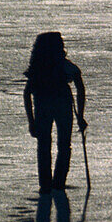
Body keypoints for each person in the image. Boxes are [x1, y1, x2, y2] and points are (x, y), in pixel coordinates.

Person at [23, 31, 87, 194]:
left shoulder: (37, 69)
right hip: (63, 107)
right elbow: (79, 86)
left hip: (43, 108)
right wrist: (80, 115)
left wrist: (31, 121)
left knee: (44, 145)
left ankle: (46, 185)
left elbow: (27, 93)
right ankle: (58, 183)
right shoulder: (65, 65)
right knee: (63, 145)